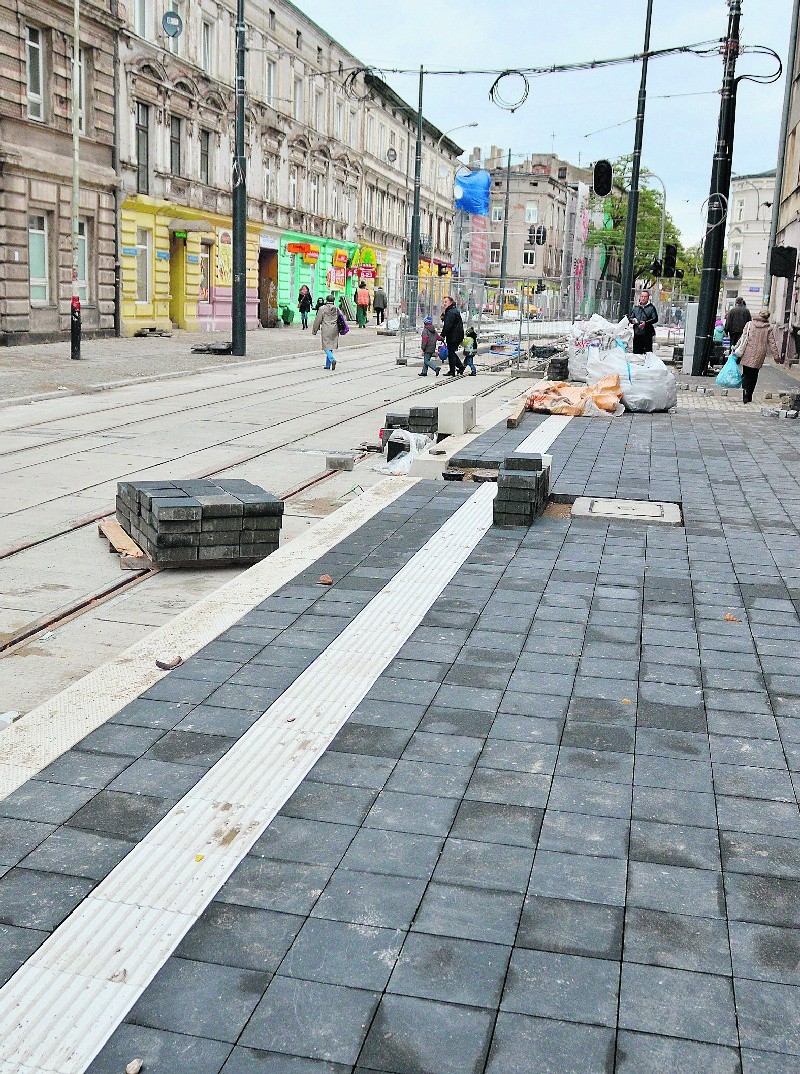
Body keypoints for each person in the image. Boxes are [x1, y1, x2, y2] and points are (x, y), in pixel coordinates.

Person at [736, 308, 778, 404]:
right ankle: (749, 394)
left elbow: (743, 338)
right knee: (754, 375)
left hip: (748, 352)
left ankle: (745, 391)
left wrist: (736, 349)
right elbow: (772, 343)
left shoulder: (749, 324)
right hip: (760, 354)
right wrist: (776, 356)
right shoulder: (768, 328)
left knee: (746, 373)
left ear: (759, 315)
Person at [312, 294, 341, 371]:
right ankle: (327, 365)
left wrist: (314, 330)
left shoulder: (322, 309)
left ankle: (332, 359)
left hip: (326, 328)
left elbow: (317, 320)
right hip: (335, 329)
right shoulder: (336, 309)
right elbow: (340, 319)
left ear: (326, 300)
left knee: (325, 346)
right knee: (331, 346)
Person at [440, 295, 465, 376]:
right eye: (443, 302)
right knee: (451, 352)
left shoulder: (451, 312)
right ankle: (460, 367)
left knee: (451, 353)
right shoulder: (451, 310)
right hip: (456, 335)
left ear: (451, 302)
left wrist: (442, 335)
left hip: (454, 336)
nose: (444, 304)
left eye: (446, 302)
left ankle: (453, 370)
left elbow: (447, 325)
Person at [628, 290, 658, 354]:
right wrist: (632, 321)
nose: (643, 298)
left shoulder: (651, 308)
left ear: (648, 298)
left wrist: (646, 323)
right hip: (637, 334)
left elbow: (655, 318)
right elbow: (630, 317)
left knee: (647, 353)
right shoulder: (636, 308)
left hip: (647, 334)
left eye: (645, 297)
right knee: (636, 352)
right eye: (642, 296)